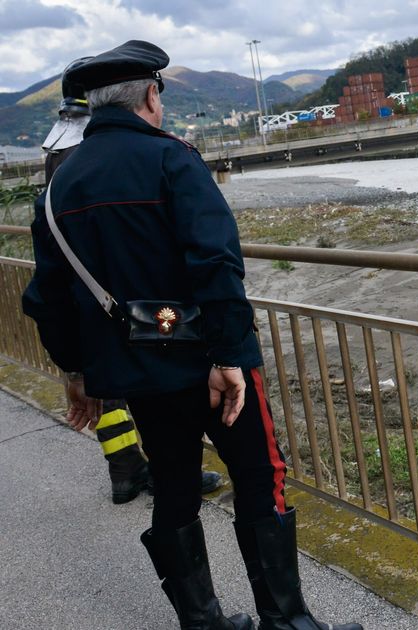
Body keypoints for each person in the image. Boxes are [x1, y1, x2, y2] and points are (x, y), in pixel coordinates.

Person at [22, 40, 361, 630]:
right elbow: (216, 263)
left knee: (175, 485)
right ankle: (287, 623)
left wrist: (76, 373)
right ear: (150, 97)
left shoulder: (59, 188)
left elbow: (47, 298)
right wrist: (230, 353)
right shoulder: (173, 160)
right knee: (260, 477)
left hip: (137, 374)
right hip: (209, 361)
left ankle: (202, 625)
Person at [41, 56, 224, 505]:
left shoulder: (57, 149)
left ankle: (126, 470)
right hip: (140, 302)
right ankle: (162, 471)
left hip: (89, 298)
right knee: (149, 392)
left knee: (111, 391)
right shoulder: (101, 150)